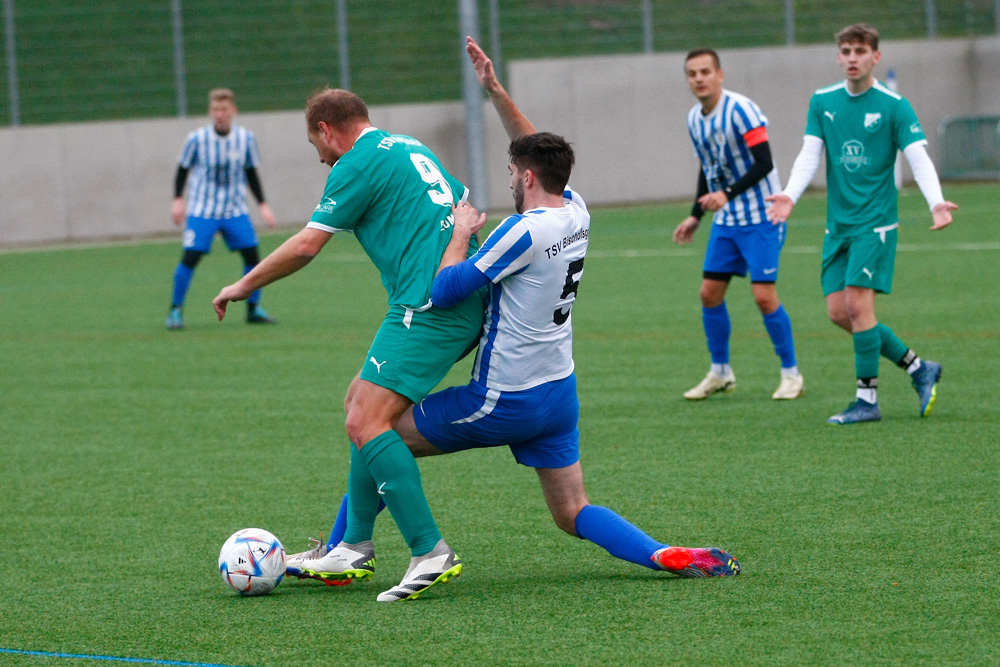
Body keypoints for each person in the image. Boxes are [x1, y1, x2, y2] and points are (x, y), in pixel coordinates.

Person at [287, 37, 740, 589]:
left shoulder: (517, 233)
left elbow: (449, 288)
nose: (507, 175)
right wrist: (496, 91)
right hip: (559, 390)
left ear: (525, 178)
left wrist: (458, 234)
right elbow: (535, 149)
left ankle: (372, 548)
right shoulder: (576, 211)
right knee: (573, 511)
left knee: (371, 425)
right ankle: (664, 553)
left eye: (511, 170)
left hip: (506, 398)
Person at [212, 88, 487, 601]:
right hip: (451, 295)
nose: (318, 156)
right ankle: (353, 544)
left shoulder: (353, 164)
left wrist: (244, 284)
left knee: (365, 420)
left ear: (325, 130)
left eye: (314, 142)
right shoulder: (409, 147)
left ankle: (430, 550)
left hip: (427, 308)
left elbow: (307, 245)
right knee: (357, 400)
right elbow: (467, 208)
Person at [766, 23, 957, 424]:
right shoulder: (823, 101)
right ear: (838, 57)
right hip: (838, 226)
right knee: (839, 313)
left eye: (860, 51)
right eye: (846, 51)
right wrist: (790, 194)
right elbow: (809, 154)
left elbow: (917, 156)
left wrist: (936, 203)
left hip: (876, 224)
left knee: (857, 305)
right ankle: (919, 368)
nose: (853, 58)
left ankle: (866, 400)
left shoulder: (894, 105)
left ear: (876, 57)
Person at [673, 49, 803, 401]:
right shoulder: (694, 119)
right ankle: (721, 372)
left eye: (705, 71)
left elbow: (763, 162)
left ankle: (792, 374)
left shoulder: (741, 109)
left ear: (720, 74)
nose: (698, 78)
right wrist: (695, 216)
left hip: (762, 215)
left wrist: (727, 194)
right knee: (709, 293)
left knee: (764, 297)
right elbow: (709, 167)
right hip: (727, 221)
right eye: (692, 73)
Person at [167, 88, 277, 330]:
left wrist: (263, 205)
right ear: (210, 111)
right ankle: (175, 310)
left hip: (234, 209)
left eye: (224, 109)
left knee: (253, 256)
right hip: (202, 209)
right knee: (191, 257)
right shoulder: (196, 139)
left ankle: (253, 309)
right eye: (215, 109)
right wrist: (177, 200)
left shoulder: (246, 139)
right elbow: (182, 170)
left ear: (233, 111)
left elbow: (251, 173)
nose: (219, 114)